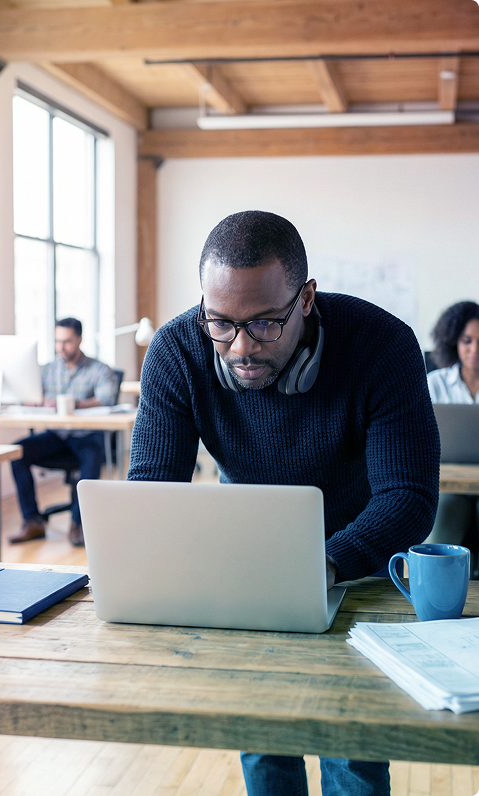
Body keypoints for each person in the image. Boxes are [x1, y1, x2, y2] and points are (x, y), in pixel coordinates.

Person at [127, 211, 440, 796]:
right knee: (264, 740)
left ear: (307, 299)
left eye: (267, 324)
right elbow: (153, 492)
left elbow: (409, 497)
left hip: (360, 560)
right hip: (252, 567)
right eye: (220, 323)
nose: (241, 347)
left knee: (352, 751)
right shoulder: (177, 349)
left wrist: (319, 565)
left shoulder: (384, 345)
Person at [10, 317, 118, 547]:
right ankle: (33, 522)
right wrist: (34, 402)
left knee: (92, 455)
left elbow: (108, 398)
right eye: (58, 341)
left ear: (79, 339)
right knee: (16, 453)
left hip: (85, 435)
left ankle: (78, 523)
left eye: (67, 341)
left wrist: (74, 404)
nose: (61, 347)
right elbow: (30, 394)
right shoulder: (47, 370)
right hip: (57, 436)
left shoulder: (99, 369)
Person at [425, 301, 479, 557]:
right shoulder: (434, 384)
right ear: (454, 342)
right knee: (438, 537)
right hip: (448, 486)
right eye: (467, 340)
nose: (474, 349)